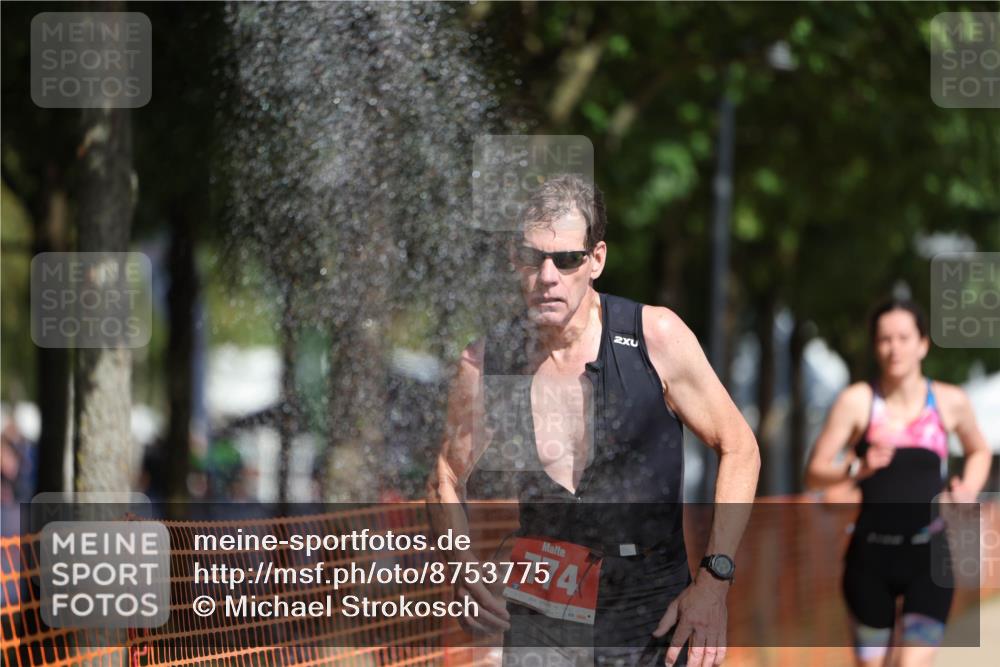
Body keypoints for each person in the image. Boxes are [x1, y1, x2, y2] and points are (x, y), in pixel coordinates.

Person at [427, 174, 760, 667]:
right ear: (514, 261)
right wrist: (461, 568)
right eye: (533, 257)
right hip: (541, 608)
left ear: (595, 260)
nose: (548, 275)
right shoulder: (486, 363)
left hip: (651, 609)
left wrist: (714, 580)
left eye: (566, 259)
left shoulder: (655, 338)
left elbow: (740, 446)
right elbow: (446, 477)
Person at [805, 298, 991, 667]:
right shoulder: (857, 402)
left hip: (929, 559)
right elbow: (815, 471)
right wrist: (858, 466)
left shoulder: (949, 401)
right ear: (875, 346)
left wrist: (968, 487)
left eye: (904, 337)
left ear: (923, 343)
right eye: (885, 339)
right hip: (870, 560)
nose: (894, 348)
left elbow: (979, 451)